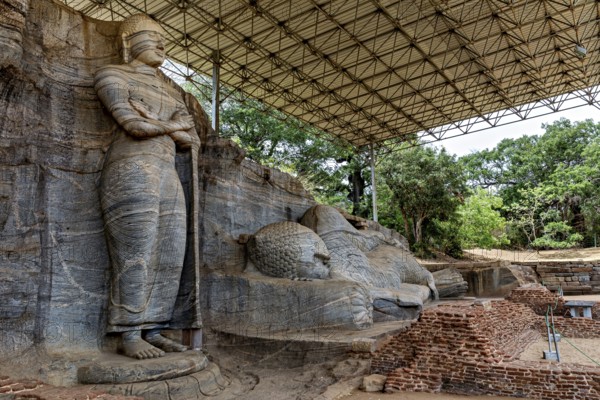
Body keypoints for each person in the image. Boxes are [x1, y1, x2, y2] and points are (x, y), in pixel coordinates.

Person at [94, 14, 200, 359]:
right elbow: (131, 125)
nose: (161, 44)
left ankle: (154, 327)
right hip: (131, 167)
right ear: (128, 43)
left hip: (167, 170)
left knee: (169, 252)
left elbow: (191, 140)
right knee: (135, 250)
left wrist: (155, 122)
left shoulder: (171, 91)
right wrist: (170, 125)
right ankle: (128, 332)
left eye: (163, 38)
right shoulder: (112, 75)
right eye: (151, 36)